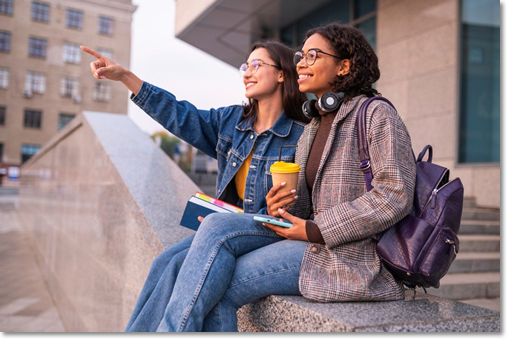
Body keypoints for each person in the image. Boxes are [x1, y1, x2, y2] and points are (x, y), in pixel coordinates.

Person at [148, 23, 417, 332]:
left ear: (343, 66)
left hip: (348, 256)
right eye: (301, 55)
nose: (301, 62)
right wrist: (282, 205)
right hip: (310, 242)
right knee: (213, 256)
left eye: (313, 55)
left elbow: (395, 195)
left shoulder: (376, 114)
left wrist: (317, 229)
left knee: (214, 270)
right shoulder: (316, 124)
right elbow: (306, 204)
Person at [81, 41, 309, 331]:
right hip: (233, 227)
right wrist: (126, 77)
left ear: (281, 74)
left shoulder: (301, 134)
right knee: (166, 263)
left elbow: (308, 200)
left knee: (208, 247)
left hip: (271, 229)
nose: (246, 73)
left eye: (256, 65)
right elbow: (180, 115)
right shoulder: (231, 121)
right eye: (244, 66)